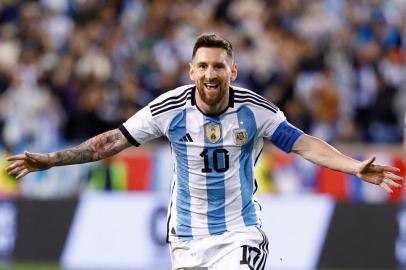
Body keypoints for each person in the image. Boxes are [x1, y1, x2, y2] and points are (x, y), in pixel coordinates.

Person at [5, 34, 403, 270]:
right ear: (191, 71)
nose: (210, 74)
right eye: (203, 66)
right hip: (186, 239)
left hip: (240, 232)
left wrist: (353, 167)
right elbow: (110, 142)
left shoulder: (255, 110)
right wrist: (51, 160)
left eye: (218, 66)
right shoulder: (168, 109)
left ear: (232, 72)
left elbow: (304, 144)